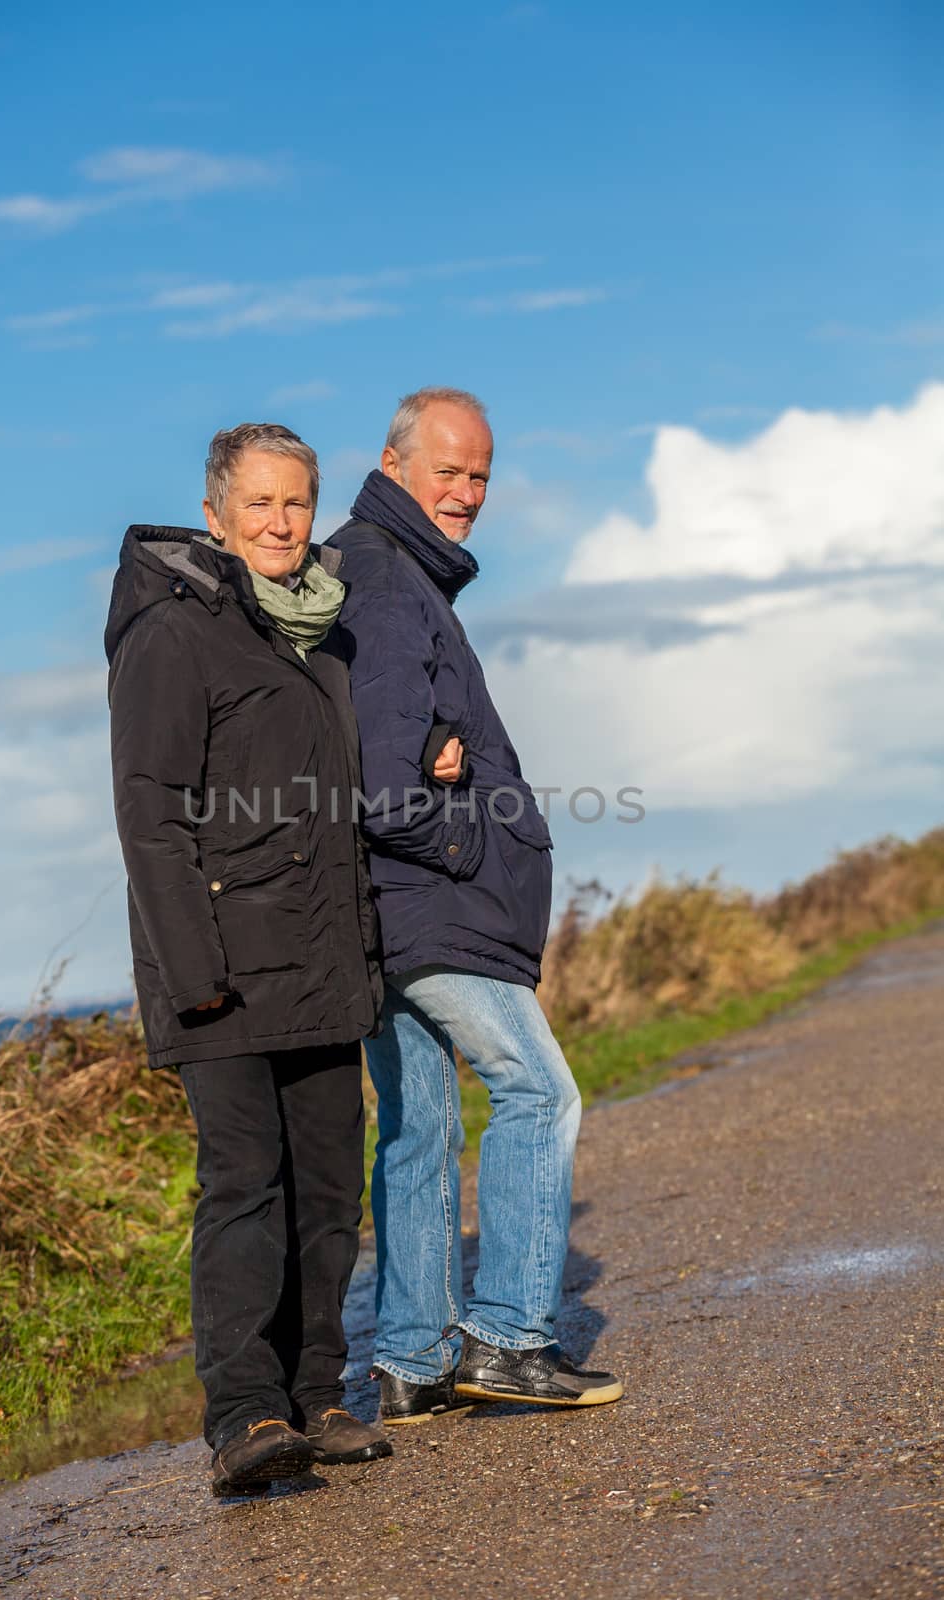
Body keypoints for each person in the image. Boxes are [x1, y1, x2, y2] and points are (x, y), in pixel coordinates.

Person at [327, 388, 624, 1423]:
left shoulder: (380, 570)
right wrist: (465, 836)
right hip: (425, 901)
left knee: (415, 1127)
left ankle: (408, 1358)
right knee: (539, 1093)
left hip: (382, 906)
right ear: (393, 462)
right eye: (446, 470)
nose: (463, 492)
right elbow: (384, 784)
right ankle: (506, 1337)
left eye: (478, 475)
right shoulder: (383, 580)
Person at [105, 423, 392, 1494]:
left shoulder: (315, 636)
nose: (280, 525)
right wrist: (194, 974)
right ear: (216, 513)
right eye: (260, 505)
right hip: (219, 976)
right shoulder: (171, 635)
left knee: (325, 1193)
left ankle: (318, 1393)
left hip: (317, 965)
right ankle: (242, 1416)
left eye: (297, 505)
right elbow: (150, 813)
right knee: (243, 1190)